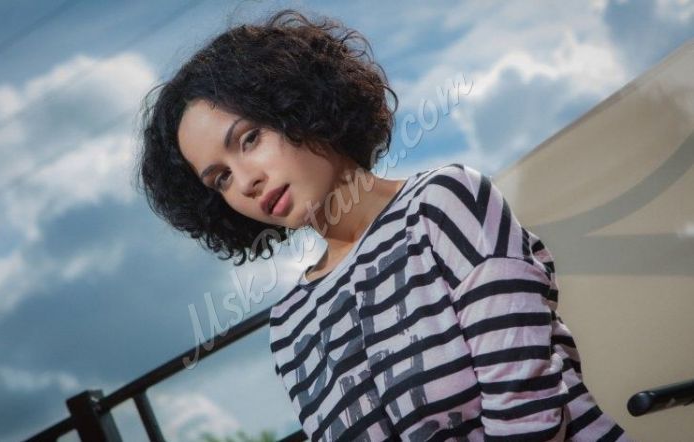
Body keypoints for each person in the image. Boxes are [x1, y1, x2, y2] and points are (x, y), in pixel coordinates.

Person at [137, 8, 630, 442]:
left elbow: (528, 415)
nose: (246, 181)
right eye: (220, 179)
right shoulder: (289, 327)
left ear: (298, 106)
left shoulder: (442, 204)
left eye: (249, 139)